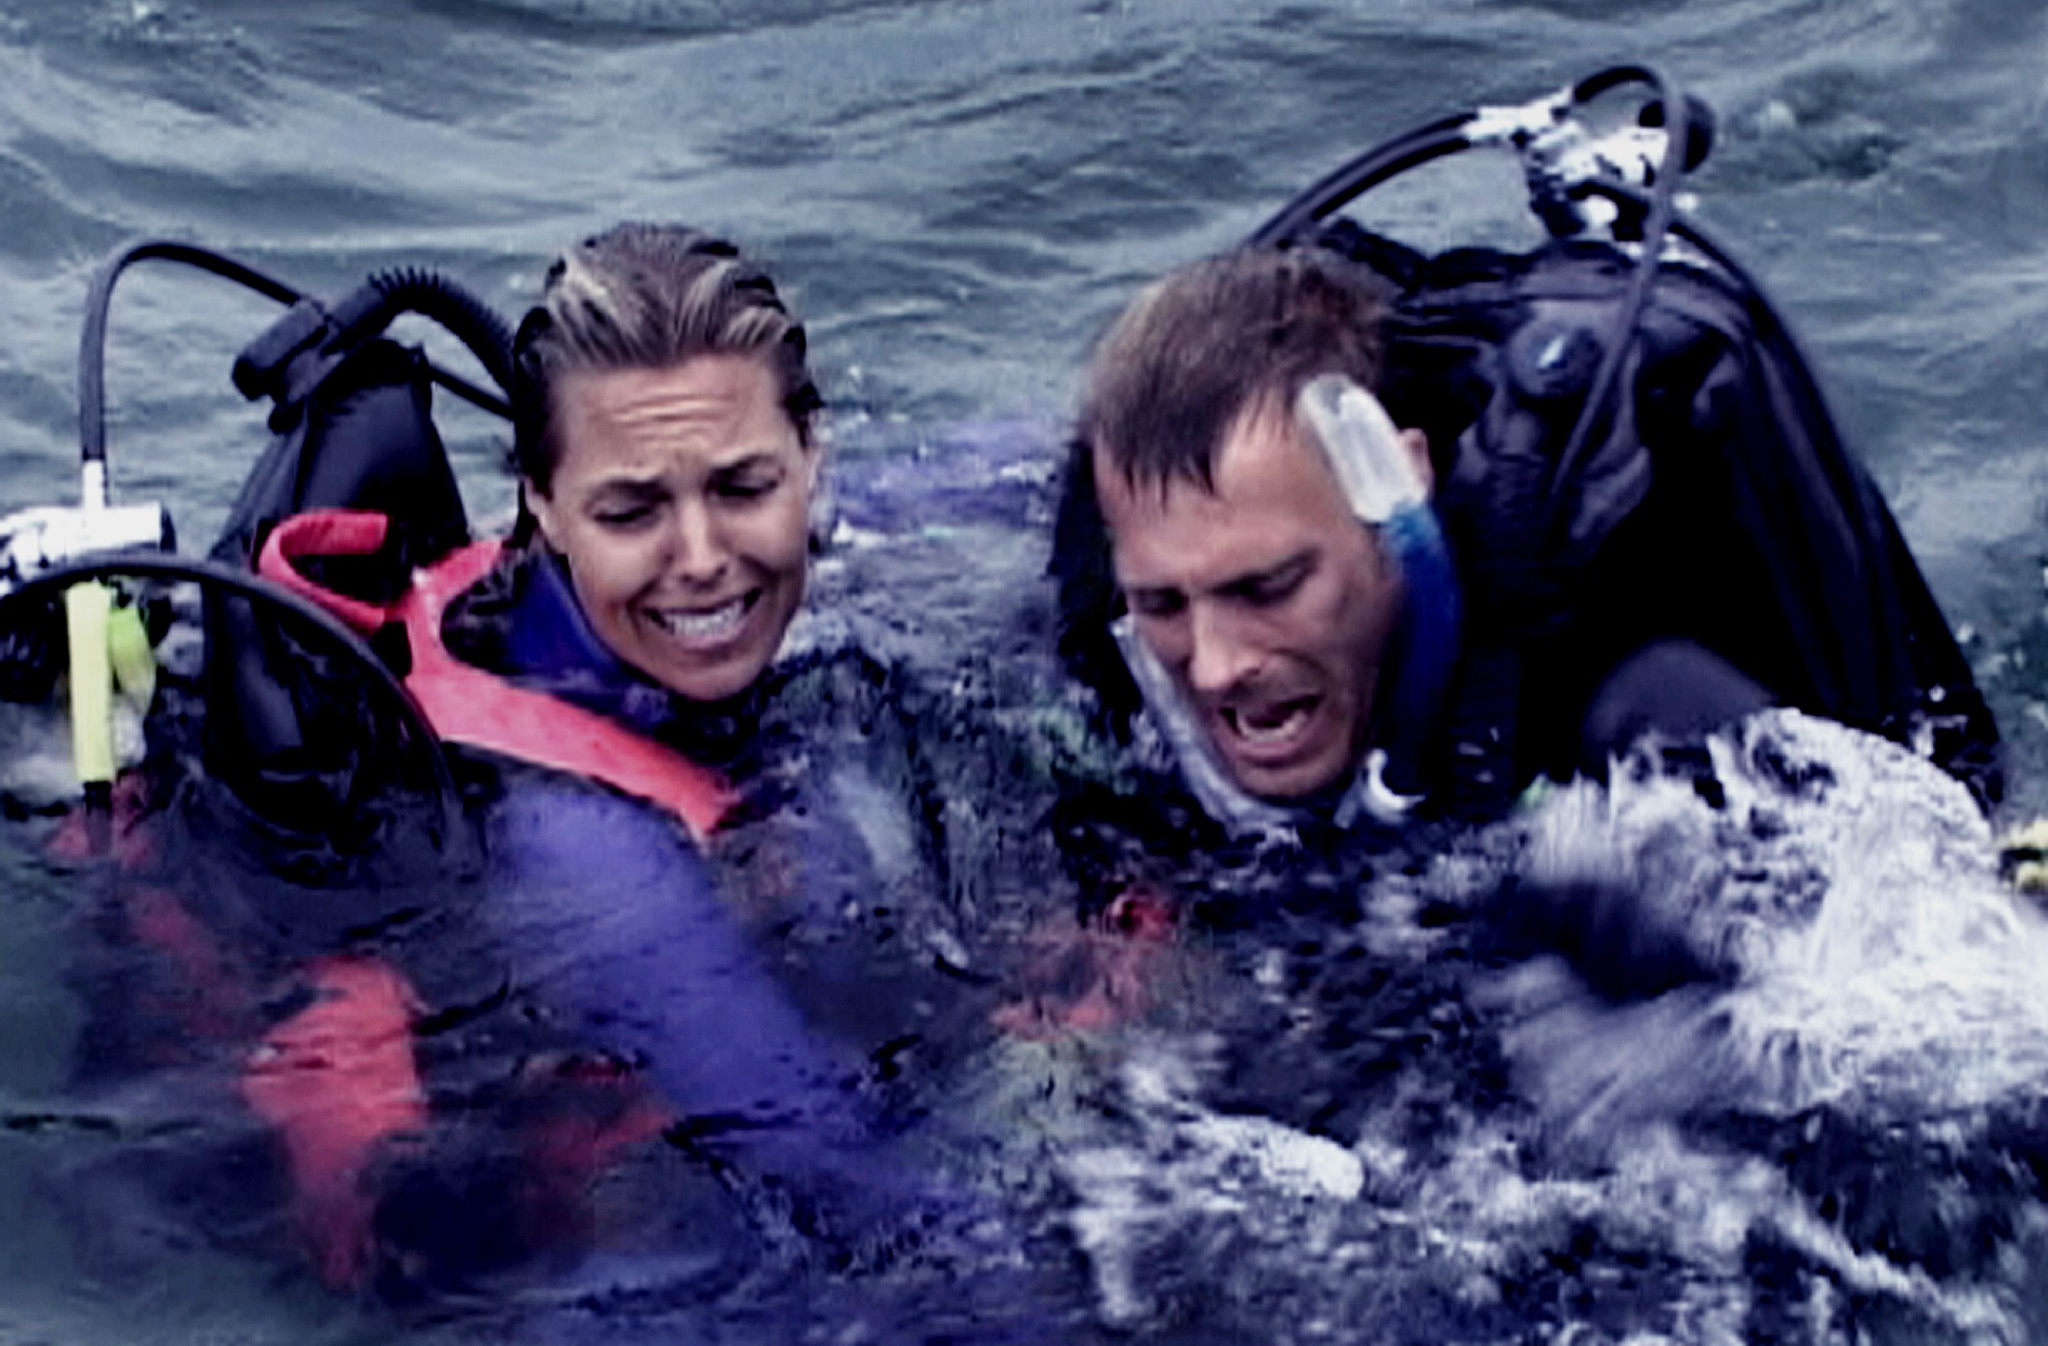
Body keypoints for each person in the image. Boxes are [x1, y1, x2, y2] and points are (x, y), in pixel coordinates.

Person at [222, 223, 1018, 1297]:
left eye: (742, 488)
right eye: (631, 509)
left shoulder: (725, 580)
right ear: (542, 506)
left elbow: (1007, 477)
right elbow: (846, 1188)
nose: (701, 559)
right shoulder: (579, 846)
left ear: (809, 458)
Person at [1045, 243, 1999, 847]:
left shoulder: (1640, 708)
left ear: (1398, 486)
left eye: (1269, 585)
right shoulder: (1114, 644)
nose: (1210, 668)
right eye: (1166, 602)